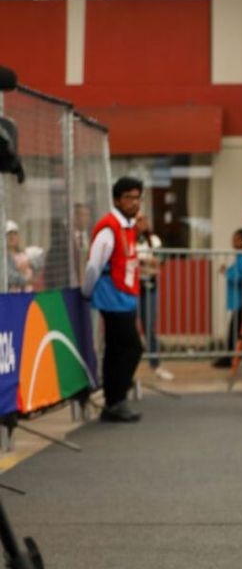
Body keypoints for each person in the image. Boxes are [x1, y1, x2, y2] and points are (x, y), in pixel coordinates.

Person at [82, 177, 145, 423]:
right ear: (117, 200)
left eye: (137, 197)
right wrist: (87, 293)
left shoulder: (128, 226)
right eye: (129, 197)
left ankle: (112, 402)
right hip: (112, 299)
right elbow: (93, 266)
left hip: (125, 298)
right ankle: (117, 398)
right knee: (132, 348)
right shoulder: (108, 228)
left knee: (115, 350)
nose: (134, 202)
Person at [134, 213, 172, 381]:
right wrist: (145, 262)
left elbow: (159, 261)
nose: (143, 223)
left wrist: (143, 262)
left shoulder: (154, 240)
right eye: (139, 220)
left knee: (149, 326)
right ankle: (130, 368)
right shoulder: (129, 239)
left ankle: (155, 365)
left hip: (149, 287)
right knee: (129, 328)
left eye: (145, 219)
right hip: (132, 288)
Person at [214, 228, 242, 368]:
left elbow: (240, 276)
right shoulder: (239, 256)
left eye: (237, 239)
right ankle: (232, 357)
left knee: (234, 331)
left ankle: (230, 358)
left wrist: (226, 273)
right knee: (236, 331)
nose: (234, 241)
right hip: (239, 301)